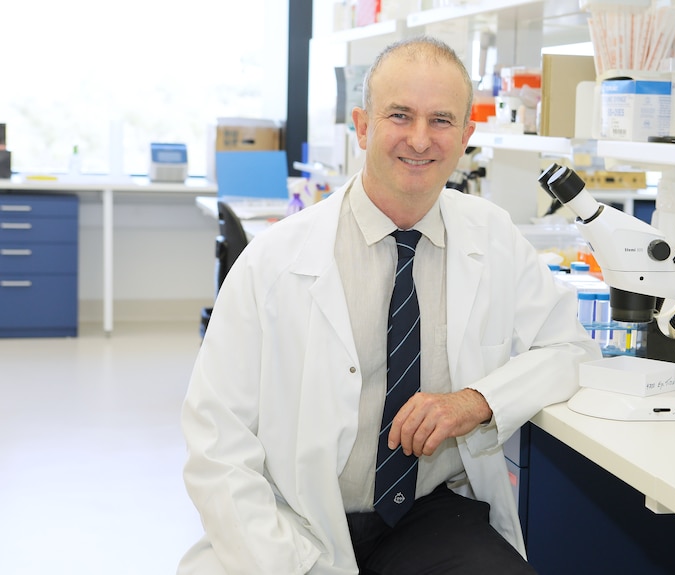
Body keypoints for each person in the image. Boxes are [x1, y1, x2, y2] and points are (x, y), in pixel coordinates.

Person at [179, 36, 601, 574]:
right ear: (362, 125)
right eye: (400, 115)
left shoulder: (492, 237)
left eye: (442, 120)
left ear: (467, 135)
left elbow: (570, 350)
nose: (420, 140)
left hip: (428, 512)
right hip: (292, 514)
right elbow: (217, 442)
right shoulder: (275, 261)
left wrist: (476, 401)